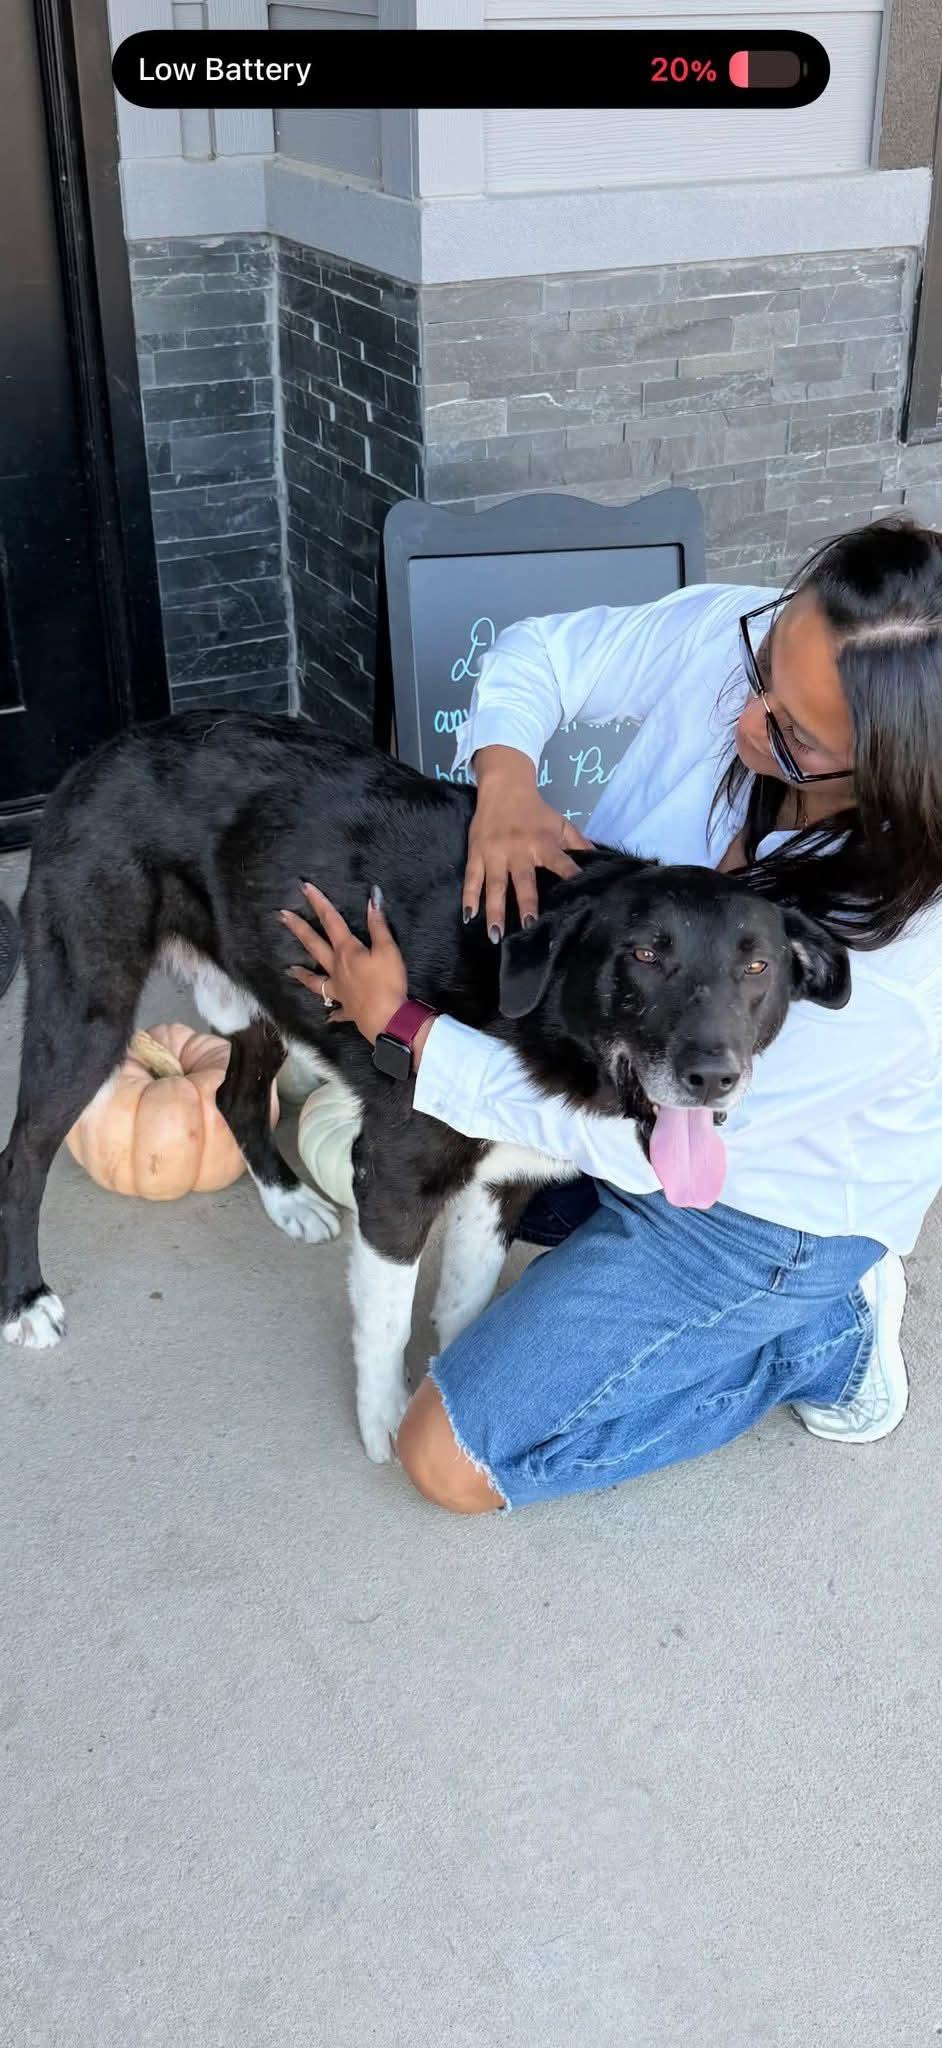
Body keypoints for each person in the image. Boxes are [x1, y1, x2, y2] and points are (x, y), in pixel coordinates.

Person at [281, 516, 942, 1514]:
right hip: (629, 1081)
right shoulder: (738, 639)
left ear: (895, 767)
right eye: (764, 672)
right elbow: (539, 653)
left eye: (795, 737)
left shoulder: (902, 958)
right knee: (424, 1167)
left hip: (765, 1201)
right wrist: (504, 777)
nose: (746, 722)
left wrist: (410, 1032)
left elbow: (649, 1146)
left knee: (449, 1459)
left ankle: (822, 1339)